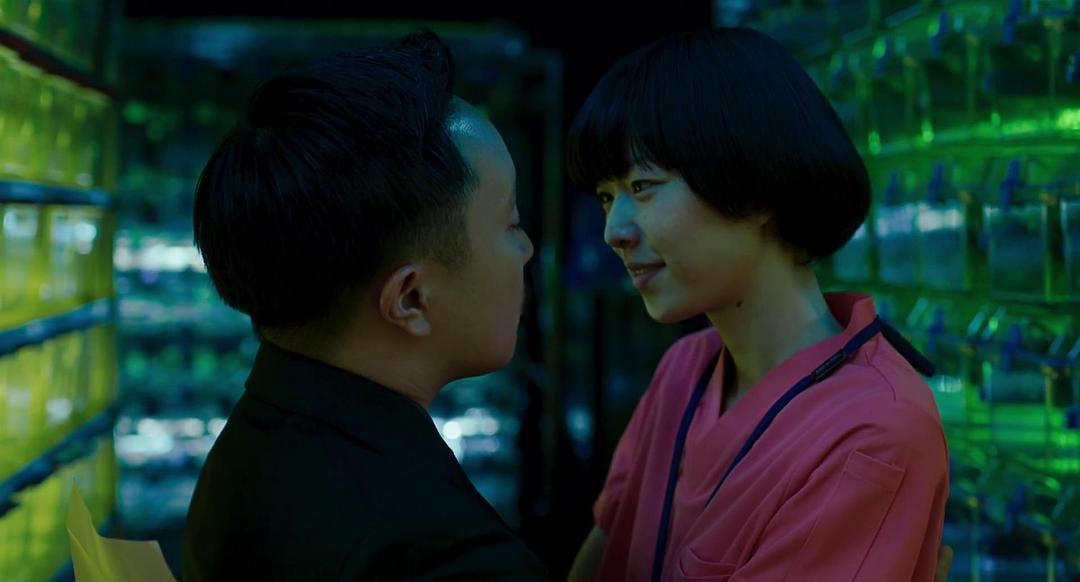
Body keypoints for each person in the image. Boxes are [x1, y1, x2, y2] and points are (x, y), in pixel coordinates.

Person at [564, 28, 950, 581]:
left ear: (758, 188)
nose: (614, 231)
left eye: (643, 186)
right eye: (607, 198)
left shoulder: (874, 433)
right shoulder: (683, 369)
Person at [182, 31, 548, 580]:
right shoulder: (445, 558)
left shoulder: (255, 441)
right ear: (411, 299)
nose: (528, 249)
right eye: (511, 224)